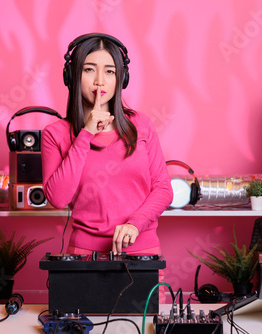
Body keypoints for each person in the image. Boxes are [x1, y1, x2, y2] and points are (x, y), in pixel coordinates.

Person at [41, 33, 173, 256]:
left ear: (121, 79)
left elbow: (163, 188)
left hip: (142, 251)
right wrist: (86, 134)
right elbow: (57, 198)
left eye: (109, 71)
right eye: (89, 69)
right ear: (72, 77)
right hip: (84, 257)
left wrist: (135, 223)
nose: (99, 80)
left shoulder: (141, 125)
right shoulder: (55, 134)